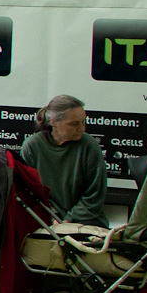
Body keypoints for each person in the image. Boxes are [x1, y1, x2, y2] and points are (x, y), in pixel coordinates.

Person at [20, 94, 109, 227]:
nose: (82, 129)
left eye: (83, 122)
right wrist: (51, 217)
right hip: (45, 218)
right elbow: (28, 192)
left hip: (84, 220)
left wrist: (68, 220)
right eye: (74, 124)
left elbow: (94, 195)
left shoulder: (90, 145)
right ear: (53, 122)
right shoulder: (32, 146)